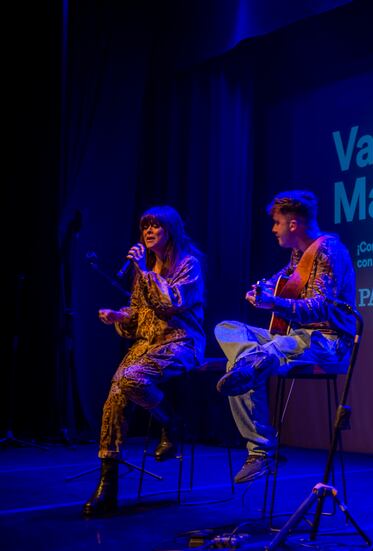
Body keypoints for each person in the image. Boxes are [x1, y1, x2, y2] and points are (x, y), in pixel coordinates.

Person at [214, 190, 356, 484]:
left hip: (327, 341)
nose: (273, 229)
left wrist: (274, 303)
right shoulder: (298, 255)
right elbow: (277, 281)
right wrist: (261, 292)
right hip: (295, 337)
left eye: (277, 223)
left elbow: (321, 307)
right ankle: (252, 361)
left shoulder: (329, 251)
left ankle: (260, 451)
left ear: (293, 224)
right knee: (226, 328)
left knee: (258, 355)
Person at [83, 205, 205, 517]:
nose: (148, 232)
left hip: (180, 341)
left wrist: (142, 270)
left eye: (155, 226)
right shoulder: (145, 270)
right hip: (147, 343)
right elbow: (138, 314)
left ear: (171, 231)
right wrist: (119, 316)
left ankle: (169, 422)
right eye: (145, 227)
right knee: (115, 396)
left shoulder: (189, 265)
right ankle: (108, 485)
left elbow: (168, 304)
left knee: (131, 378)